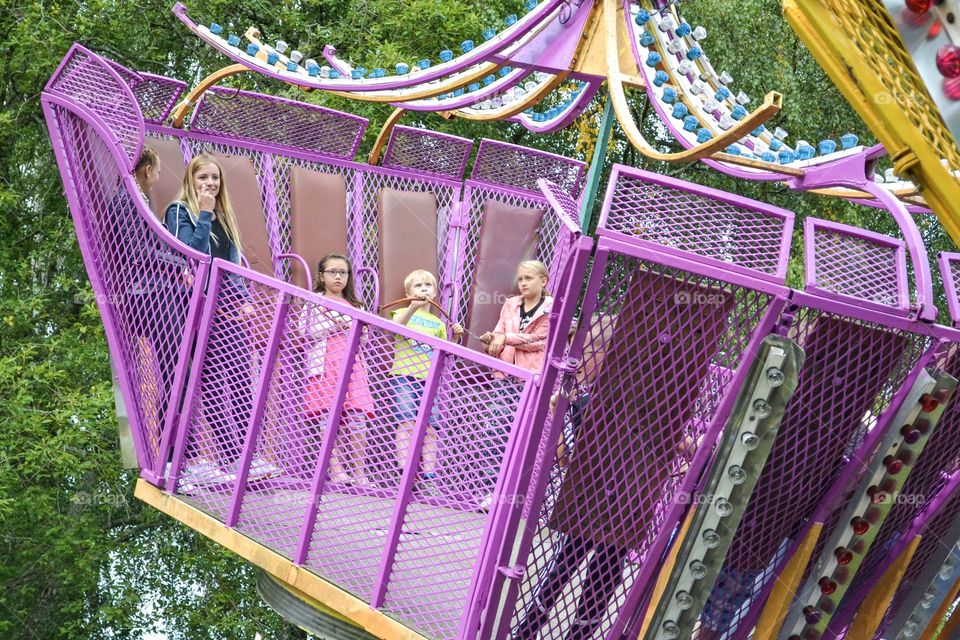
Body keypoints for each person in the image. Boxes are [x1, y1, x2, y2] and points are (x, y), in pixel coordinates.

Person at [164, 155, 252, 475]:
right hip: (197, 304)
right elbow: (190, 253)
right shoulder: (178, 211)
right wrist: (202, 213)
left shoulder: (225, 215)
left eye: (215, 178)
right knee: (213, 379)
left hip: (227, 302)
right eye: (203, 177)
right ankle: (229, 456)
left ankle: (247, 455)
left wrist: (243, 299)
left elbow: (232, 264)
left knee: (243, 376)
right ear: (191, 180)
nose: (210, 183)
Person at [302, 253, 374, 484]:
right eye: (332, 272)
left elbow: (362, 340)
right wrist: (334, 328)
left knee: (357, 415)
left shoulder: (357, 305)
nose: (338, 277)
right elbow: (306, 332)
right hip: (325, 365)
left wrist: (360, 333)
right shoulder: (314, 301)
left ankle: (360, 473)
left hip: (352, 366)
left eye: (343, 272)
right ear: (322, 276)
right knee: (328, 416)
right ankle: (337, 470)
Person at [389, 269, 463, 480]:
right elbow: (395, 327)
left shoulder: (438, 323)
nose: (423, 289)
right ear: (408, 292)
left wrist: (455, 338)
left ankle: (429, 474)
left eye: (427, 286)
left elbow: (445, 352)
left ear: (435, 291)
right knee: (406, 421)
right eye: (418, 286)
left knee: (431, 426)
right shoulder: (401, 313)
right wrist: (412, 307)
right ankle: (404, 470)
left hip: (428, 381)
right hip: (404, 376)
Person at [479, 260, 552, 373]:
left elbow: (539, 341)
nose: (523, 283)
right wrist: (490, 344)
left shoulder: (551, 308)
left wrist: (505, 338)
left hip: (530, 375)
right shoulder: (510, 304)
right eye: (520, 279)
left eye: (528, 278)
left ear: (543, 281)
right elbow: (499, 335)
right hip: (503, 372)